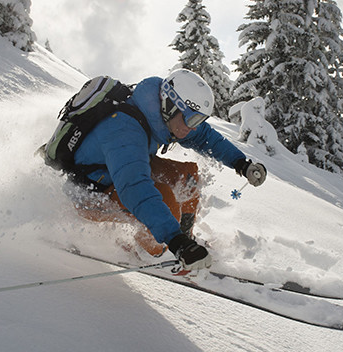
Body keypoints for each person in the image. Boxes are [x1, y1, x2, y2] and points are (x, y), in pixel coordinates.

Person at [68, 69, 267, 272]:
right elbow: (135, 189)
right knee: (166, 200)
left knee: (187, 178)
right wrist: (175, 241)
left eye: (198, 120)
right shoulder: (123, 129)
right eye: (191, 120)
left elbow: (206, 137)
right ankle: (151, 255)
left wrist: (241, 163)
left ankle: (186, 242)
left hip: (120, 171)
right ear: (171, 105)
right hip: (90, 194)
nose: (193, 128)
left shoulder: (164, 117)